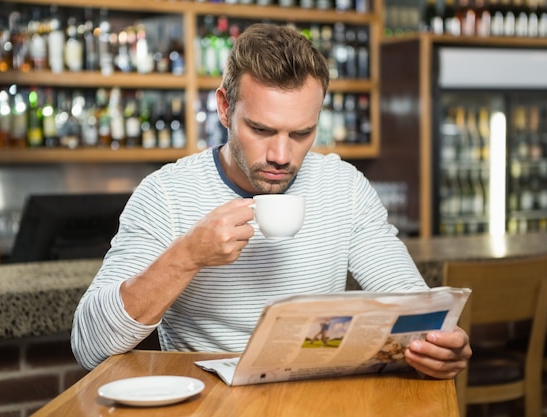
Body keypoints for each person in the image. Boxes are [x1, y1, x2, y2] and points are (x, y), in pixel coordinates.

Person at [71, 23, 471, 379]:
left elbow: (413, 303)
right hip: (211, 405)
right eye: (262, 129)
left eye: (301, 133)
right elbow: (89, 346)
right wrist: (187, 255)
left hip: (313, 395)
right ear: (226, 108)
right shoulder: (166, 194)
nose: (282, 155)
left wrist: (438, 348)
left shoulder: (343, 186)